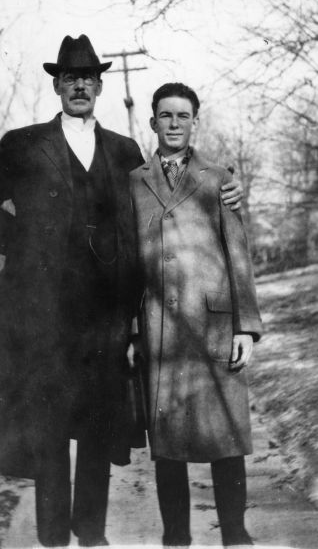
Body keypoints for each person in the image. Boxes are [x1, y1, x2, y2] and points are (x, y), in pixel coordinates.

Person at [0, 37, 242, 548]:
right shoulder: (24, 143)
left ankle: (92, 533)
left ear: (98, 87)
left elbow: (170, 199)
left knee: (98, 425)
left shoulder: (124, 151)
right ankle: (54, 538)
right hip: (42, 314)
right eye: (70, 79)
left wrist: (227, 185)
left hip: (104, 314)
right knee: (50, 429)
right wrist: (20, 243)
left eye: (88, 79)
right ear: (57, 85)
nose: (80, 86)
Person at [129, 83, 262, 548]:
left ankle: (235, 534)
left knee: (225, 435)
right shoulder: (135, 181)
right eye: (165, 116)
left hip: (213, 328)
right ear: (153, 122)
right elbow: (128, 263)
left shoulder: (218, 178)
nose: (174, 124)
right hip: (160, 332)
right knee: (168, 447)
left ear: (195, 122)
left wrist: (246, 326)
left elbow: (238, 255)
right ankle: (176, 538)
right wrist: (131, 329)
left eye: (183, 116)